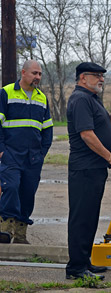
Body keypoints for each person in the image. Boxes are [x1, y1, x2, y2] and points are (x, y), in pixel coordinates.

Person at [66, 62, 111, 280]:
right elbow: (87, 135)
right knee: (81, 218)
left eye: (102, 76)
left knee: (90, 218)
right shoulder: (80, 99)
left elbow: (98, 128)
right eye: (96, 75)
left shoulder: (91, 98)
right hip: (84, 169)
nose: (101, 79)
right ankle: (76, 269)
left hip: (94, 168)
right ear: (83, 78)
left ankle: (84, 262)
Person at [0, 60, 53, 244]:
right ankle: (5, 228)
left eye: (39, 74)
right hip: (11, 154)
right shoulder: (6, 92)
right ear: (23, 73)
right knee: (11, 187)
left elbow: (48, 130)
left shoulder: (41, 98)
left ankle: (20, 234)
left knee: (27, 193)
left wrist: (41, 154)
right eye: (34, 73)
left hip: (33, 158)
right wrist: (1, 151)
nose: (38, 77)